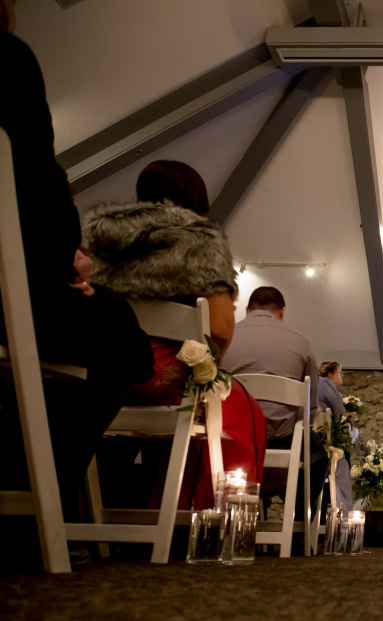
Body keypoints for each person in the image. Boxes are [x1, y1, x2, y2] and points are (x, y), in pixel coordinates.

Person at [0, 0, 153, 523]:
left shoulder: (117, 232)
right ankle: (36, 500)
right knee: (121, 343)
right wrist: (64, 261)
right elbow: (36, 183)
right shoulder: (6, 58)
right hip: (10, 294)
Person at [81, 160, 265, 510]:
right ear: (197, 199)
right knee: (241, 407)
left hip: (102, 376)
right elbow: (220, 329)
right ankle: (202, 516)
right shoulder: (201, 240)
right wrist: (208, 371)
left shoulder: (100, 239)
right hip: (162, 377)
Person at [221, 287, 327, 516]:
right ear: (282, 312)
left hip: (230, 442)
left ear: (247, 309)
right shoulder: (302, 342)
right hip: (282, 441)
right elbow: (310, 407)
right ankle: (299, 524)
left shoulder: (224, 338)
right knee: (317, 458)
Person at [317, 361, 354, 511]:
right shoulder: (327, 385)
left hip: (312, 437)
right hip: (323, 441)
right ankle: (342, 508)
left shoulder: (316, 384)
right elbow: (339, 415)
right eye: (339, 372)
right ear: (331, 374)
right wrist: (349, 417)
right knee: (344, 459)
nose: (341, 375)